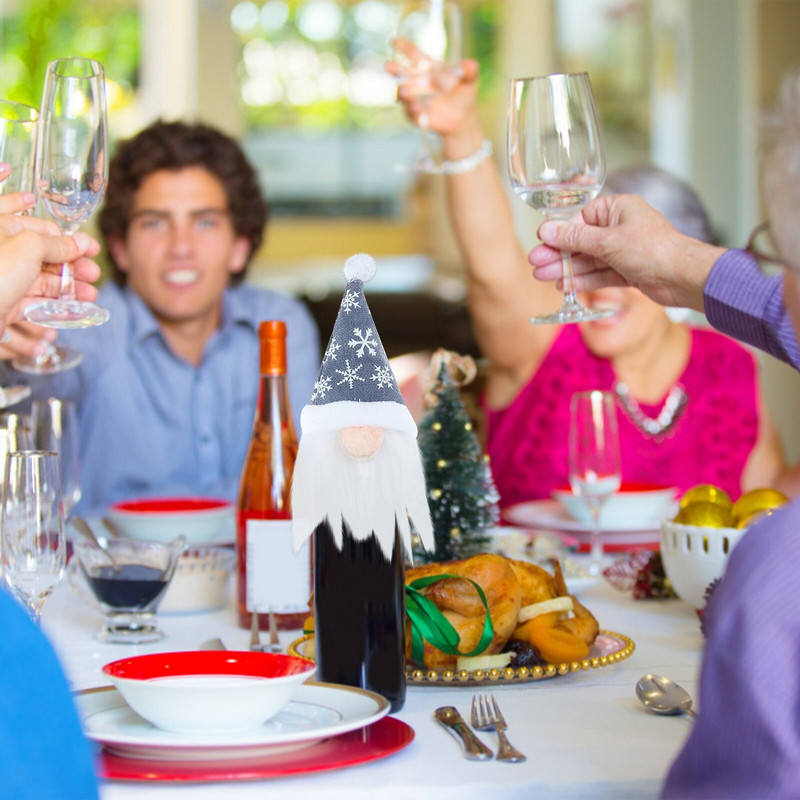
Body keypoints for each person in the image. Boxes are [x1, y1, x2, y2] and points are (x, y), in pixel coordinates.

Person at [389, 50, 784, 506]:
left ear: (667, 274)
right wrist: (461, 134)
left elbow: (768, 499)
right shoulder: (547, 344)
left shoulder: (729, 363)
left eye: (619, 269)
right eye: (584, 264)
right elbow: (491, 262)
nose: (595, 293)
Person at [2, 121, 319, 518]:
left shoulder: (280, 326)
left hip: (251, 555)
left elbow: (302, 483)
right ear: (120, 248)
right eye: (154, 223)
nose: (181, 248)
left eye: (204, 222)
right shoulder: (83, 329)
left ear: (239, 246)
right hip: (106, 559)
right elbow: (19, 391)